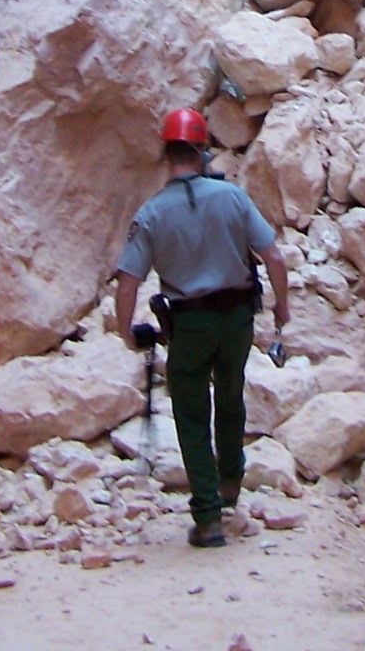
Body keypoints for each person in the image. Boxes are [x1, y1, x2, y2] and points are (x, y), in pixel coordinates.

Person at [115, 107, 290, 549]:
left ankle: (208, 517)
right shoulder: (231, 197)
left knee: (192, 414)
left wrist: (126, 331)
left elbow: (128, 283)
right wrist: (281, 310)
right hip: (236, 319)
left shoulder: (151, 213)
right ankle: (231, 481)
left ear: (167, 153)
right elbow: (274, 257)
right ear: (201, 151)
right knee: (230, 396)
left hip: (189, 323)